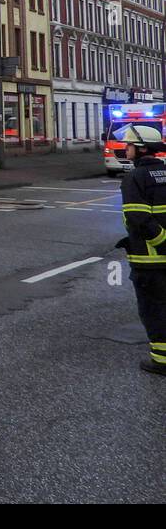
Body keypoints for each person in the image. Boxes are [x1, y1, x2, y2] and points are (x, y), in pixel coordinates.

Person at [116, 124, 166, 376]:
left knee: (153, 308)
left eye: (129, 145)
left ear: (141, 148)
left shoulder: (134, 178)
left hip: (149, 259)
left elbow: (138, 219)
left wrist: (162, 242)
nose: (125, 149)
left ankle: (161, 360)